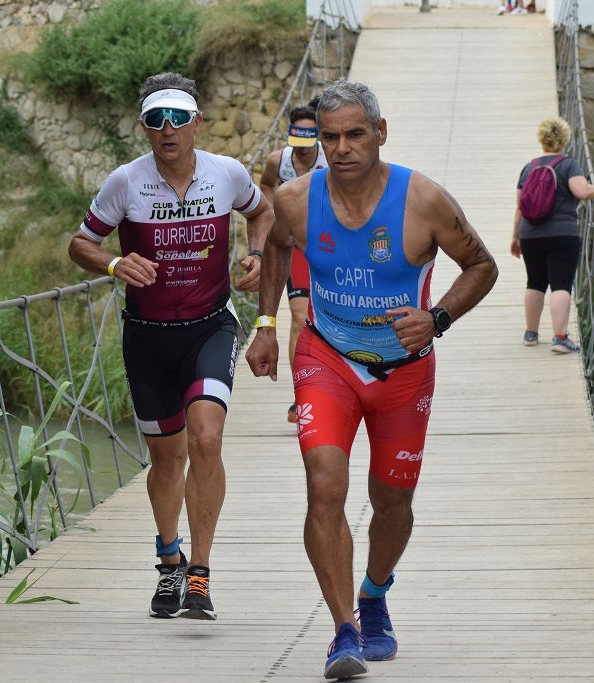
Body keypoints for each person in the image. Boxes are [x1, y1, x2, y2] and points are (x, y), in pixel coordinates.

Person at [245, 81, 497, 680]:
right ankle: (344, 631)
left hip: (403, 373)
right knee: (324, 486)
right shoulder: (296, 199)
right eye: (330, 136)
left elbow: (483, 265)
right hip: (325, 360)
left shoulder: (424, 201)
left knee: (392, 500)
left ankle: (375, 591)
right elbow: (278, 248)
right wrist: (265, 321)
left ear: (380, 133)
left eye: (356, 134)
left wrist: (437, 319)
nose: (342, 148)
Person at [68, 72, 274, 621]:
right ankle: (169, 562)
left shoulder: (225, 174)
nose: (168, 129)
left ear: (197, 124)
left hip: (210, 327)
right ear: (143, 127)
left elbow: (262, 210)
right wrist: (114, 263)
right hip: (147, 337)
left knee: (205, 438)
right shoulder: (125, 183)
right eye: (156, 119)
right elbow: (80, 242)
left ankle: (200, 575)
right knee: (166, 459)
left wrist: (254, 254)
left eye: (178, 118)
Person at [510, 116, 594, 353]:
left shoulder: (529, 167)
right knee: (561, 284)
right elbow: (582, 191)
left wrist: (515, 236)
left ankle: (531, 334)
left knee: (535, 282)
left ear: (542, 138)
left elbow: (520, 206)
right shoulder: (568, 165)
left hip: (530, 235)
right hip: (562, 234)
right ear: (565, 139)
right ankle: (559, 338)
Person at [258, 99, 328, 424]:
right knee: (299, 317)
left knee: (329, 316)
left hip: (331, 246)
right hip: (295, 247)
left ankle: (338, 384)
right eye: (295, 143)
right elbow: (267, 184)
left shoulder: (333, 156)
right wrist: (276, 213)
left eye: (307, 143)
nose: (301, 151)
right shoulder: (278, 161)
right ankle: (302, 397)